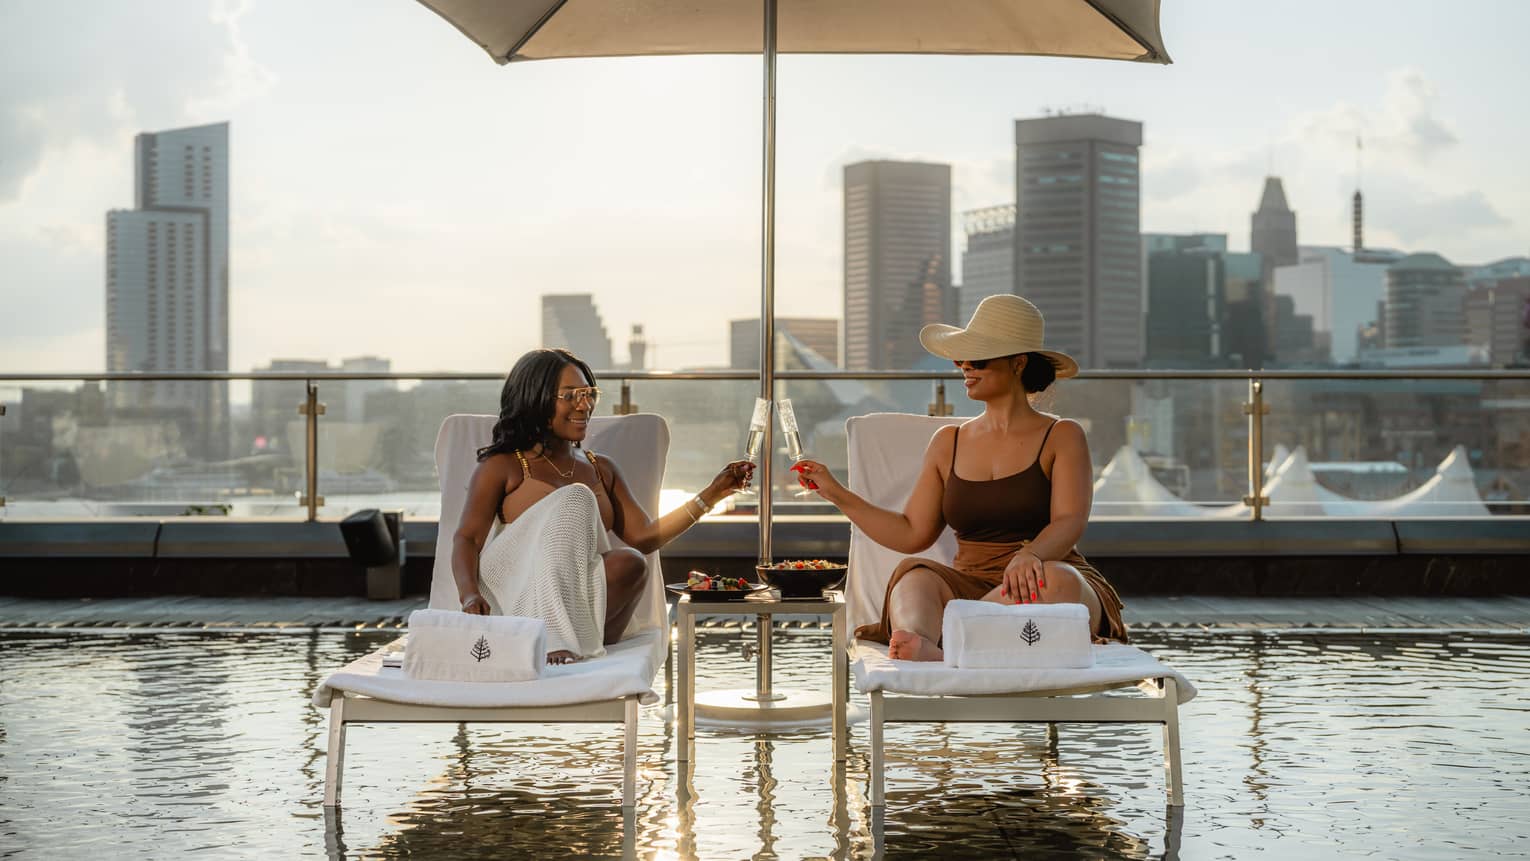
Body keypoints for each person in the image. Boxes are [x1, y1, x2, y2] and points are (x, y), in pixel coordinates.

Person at [792, 294, 1127, 662]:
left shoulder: (1062, 434)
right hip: (970, 587)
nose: (965, 367)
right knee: (913, 577)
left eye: (978, 359)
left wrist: (1031, 555)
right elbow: (911, 533)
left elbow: (1070, 520)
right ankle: (939, 639)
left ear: (1018, 364)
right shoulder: (947, 442)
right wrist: (837, 493)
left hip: (1041, 576)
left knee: (1057, 581)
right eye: (960, 359)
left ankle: (946, 646)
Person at [452, 348, 754, 665]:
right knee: (576, 496)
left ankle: (574, 638)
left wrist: (713, 493)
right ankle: (552, 637)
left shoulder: (601, 469)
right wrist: (469, 594)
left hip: (577, 597)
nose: (585, 405)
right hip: (513, 589)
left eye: (588, 393)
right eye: (570, 395)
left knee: (631, 561)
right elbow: (467, 539)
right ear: (535, 399)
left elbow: (645, 537)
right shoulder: (503, 466)